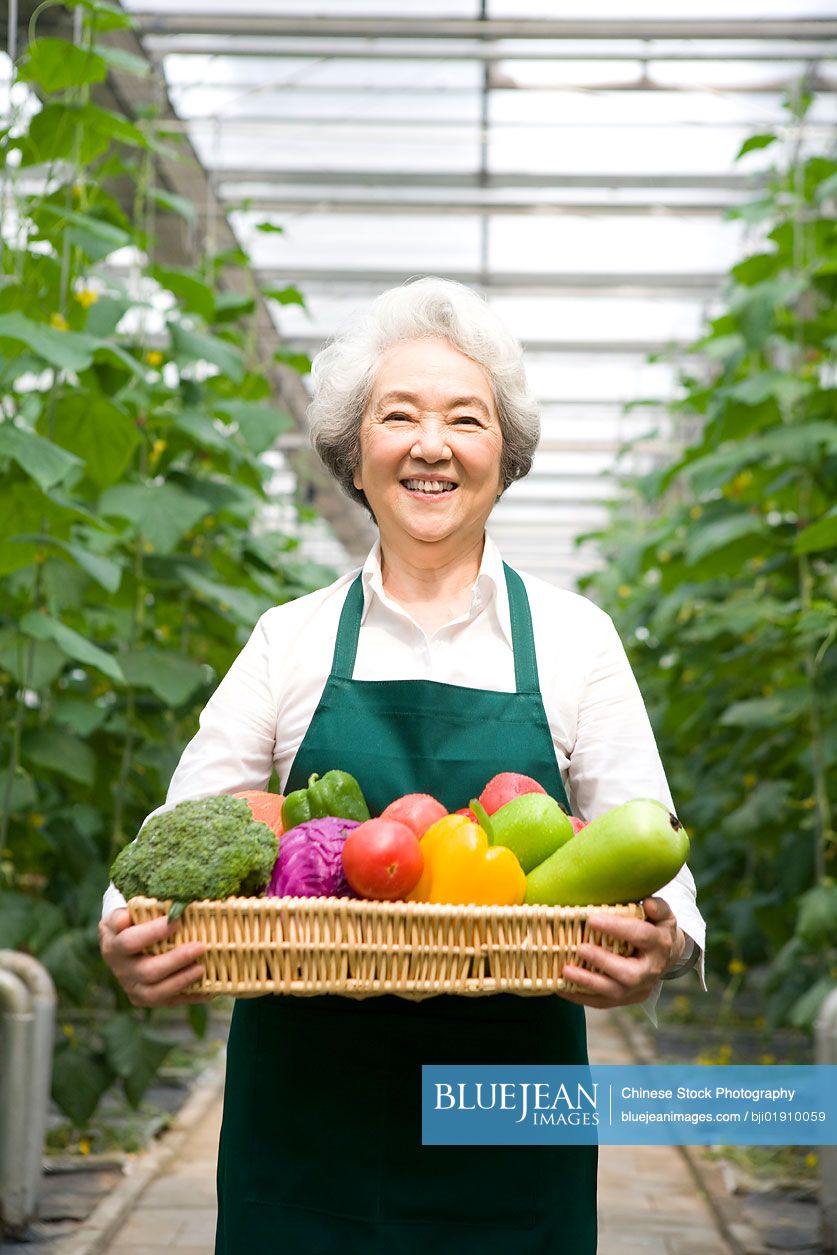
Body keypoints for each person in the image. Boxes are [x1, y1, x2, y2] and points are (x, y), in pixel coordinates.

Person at [100, 277, 706, 1254]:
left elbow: (653, 848)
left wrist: (665, 944)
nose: (432, 443)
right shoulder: (289, 640)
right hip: (305, 1134)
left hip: (513, 1132)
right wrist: (127, 929)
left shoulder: (574, 641)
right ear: (354, 451)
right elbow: (181, 830)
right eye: (399, 416)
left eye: (466, 418)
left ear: (504, 454)